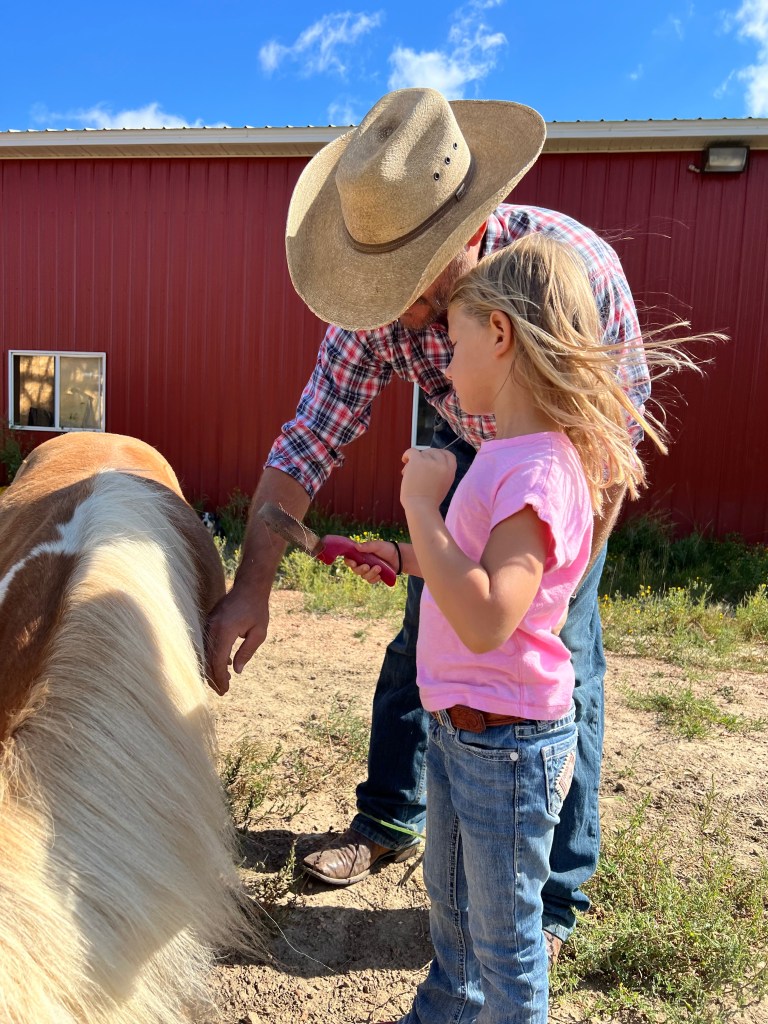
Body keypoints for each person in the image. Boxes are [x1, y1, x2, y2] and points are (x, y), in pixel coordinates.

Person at [205, 87, 650, 962]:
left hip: (566, 456)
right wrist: (252, 587)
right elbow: (308, 441)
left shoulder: (571, 275)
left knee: (563, 656)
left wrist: (550, 589)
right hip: (471, 440)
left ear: (469, 233)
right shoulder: (378, 311)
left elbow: (610, 446)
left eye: (413, 286)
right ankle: (390, 820)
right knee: (425, 632)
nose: (396, 313)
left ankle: (551, 898)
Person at [346, 232, 674, 1024]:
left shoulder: (538, 471)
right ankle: (445, 1010)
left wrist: (420, 508)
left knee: (505, 941)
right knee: (456, 915)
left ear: (500, 335)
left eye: (455, 343)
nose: (444, 365)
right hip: (466, 733)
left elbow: (490, 615)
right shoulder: (505, 456)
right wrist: (406, 554)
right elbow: (475, 566)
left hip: (509, 746)